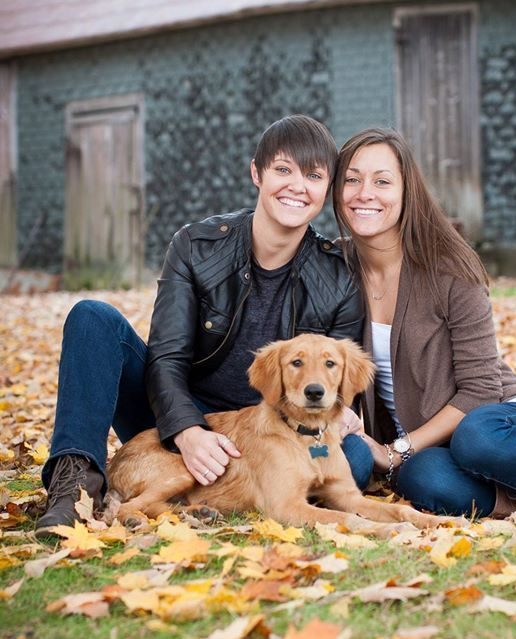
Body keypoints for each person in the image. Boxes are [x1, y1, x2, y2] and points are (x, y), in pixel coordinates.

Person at [36, 115, 371, 536]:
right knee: (92, 317)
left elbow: (336, 375)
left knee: (354, 462)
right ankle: (74, 486)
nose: (297, 186)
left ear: (327, 189)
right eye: (283, 169)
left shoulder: (338, 275)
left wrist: (345, 417)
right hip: (172, 414)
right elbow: (167, 357)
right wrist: (187, 430)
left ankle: (213, 497)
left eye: (314, 175)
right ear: (256, 172)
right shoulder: (196, 245)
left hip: (275, 428)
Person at [332, 127, 516, 518]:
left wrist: (395, 450)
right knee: (424, 480)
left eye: (382, 181)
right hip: (429, 446)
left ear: (407, 192)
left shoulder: (448, 267)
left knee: (478, 438)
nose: (364, 192)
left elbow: (481, 390)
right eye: (352, 179)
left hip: (502, 418)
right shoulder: (335, 268)